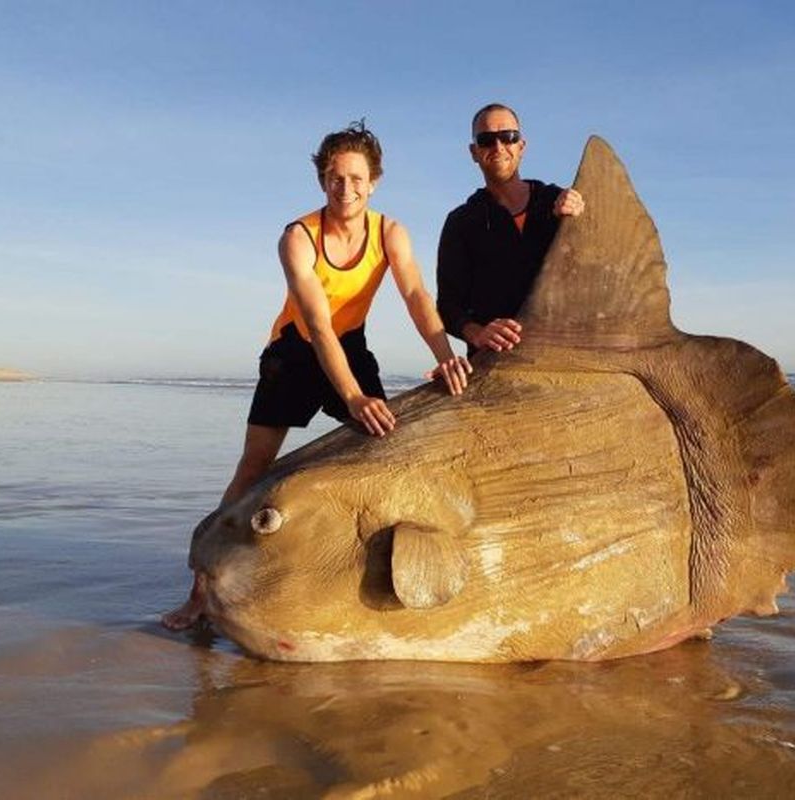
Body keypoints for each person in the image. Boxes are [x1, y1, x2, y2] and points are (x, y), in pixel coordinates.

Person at [163, 121, 471, 631]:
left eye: (355, 178)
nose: (344, 189)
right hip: (295, 349)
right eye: (334, 178)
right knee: (254, 466)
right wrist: (351, 396)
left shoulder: (389, 232)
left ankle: (355, 575)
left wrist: (445, 353)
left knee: (382, 445)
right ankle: (201, 590)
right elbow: (318, 325)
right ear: (321, 180)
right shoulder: (298, 237)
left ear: (373, 182)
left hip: (349, 344)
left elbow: (417, 297)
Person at [436, 103, 585, 355]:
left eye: (508, 137)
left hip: (564, 356)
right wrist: (478, 333)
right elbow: (449, 307)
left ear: (521, 146)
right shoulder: (461, 222)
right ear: (474, 152)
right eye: (486, 140)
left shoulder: (558, 201)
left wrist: (582, 218)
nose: (498, 147)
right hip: (497, 364)